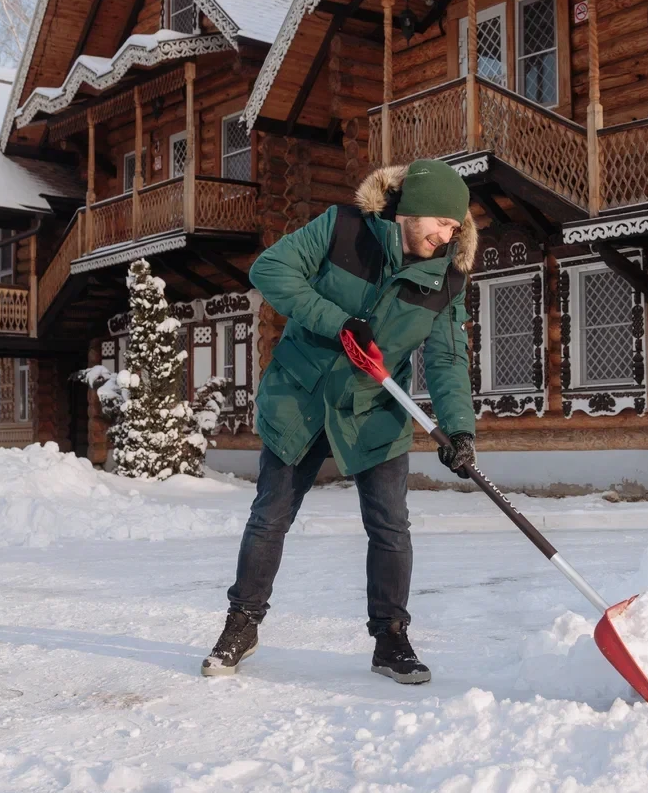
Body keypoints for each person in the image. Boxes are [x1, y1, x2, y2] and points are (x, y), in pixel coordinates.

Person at [201, 159, 478, 684]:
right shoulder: (342, 228)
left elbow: (446, 358)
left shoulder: (447, 278)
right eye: (443, 223)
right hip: (302, 395)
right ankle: (242, 623)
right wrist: (340, 322)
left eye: (455, 230)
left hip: (375, 405)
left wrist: (459, 429)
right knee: (270, 516)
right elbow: (269, 270)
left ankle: (390, 638)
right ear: (415, 212)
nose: (448, 236)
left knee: (391, 526)